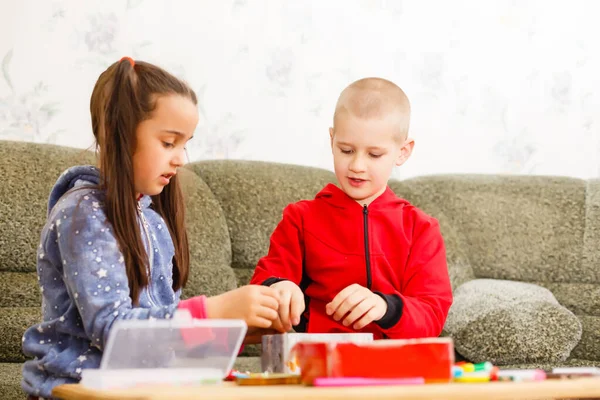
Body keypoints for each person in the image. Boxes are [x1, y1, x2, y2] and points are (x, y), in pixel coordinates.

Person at [22, 57, 280, 399]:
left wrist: (234, 328)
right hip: (78, 388)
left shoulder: (153, 220)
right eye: (169, 142)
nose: (180, 159)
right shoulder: (83, 213)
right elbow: (114, 329)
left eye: (185, 144)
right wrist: (211, 311)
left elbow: (161, 332)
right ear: (121, 133)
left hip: (141, 385)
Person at [250, 77, 453, 340]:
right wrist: (279, 287)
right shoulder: (300, 218)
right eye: (346, 150)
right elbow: (261, 286)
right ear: (332, 140)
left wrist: (386, 308)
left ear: (403, 152)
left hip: (393, 364)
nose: (357, 165)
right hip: (319, 358)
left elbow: (432, 315)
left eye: (374, 155)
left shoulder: (420, 228)